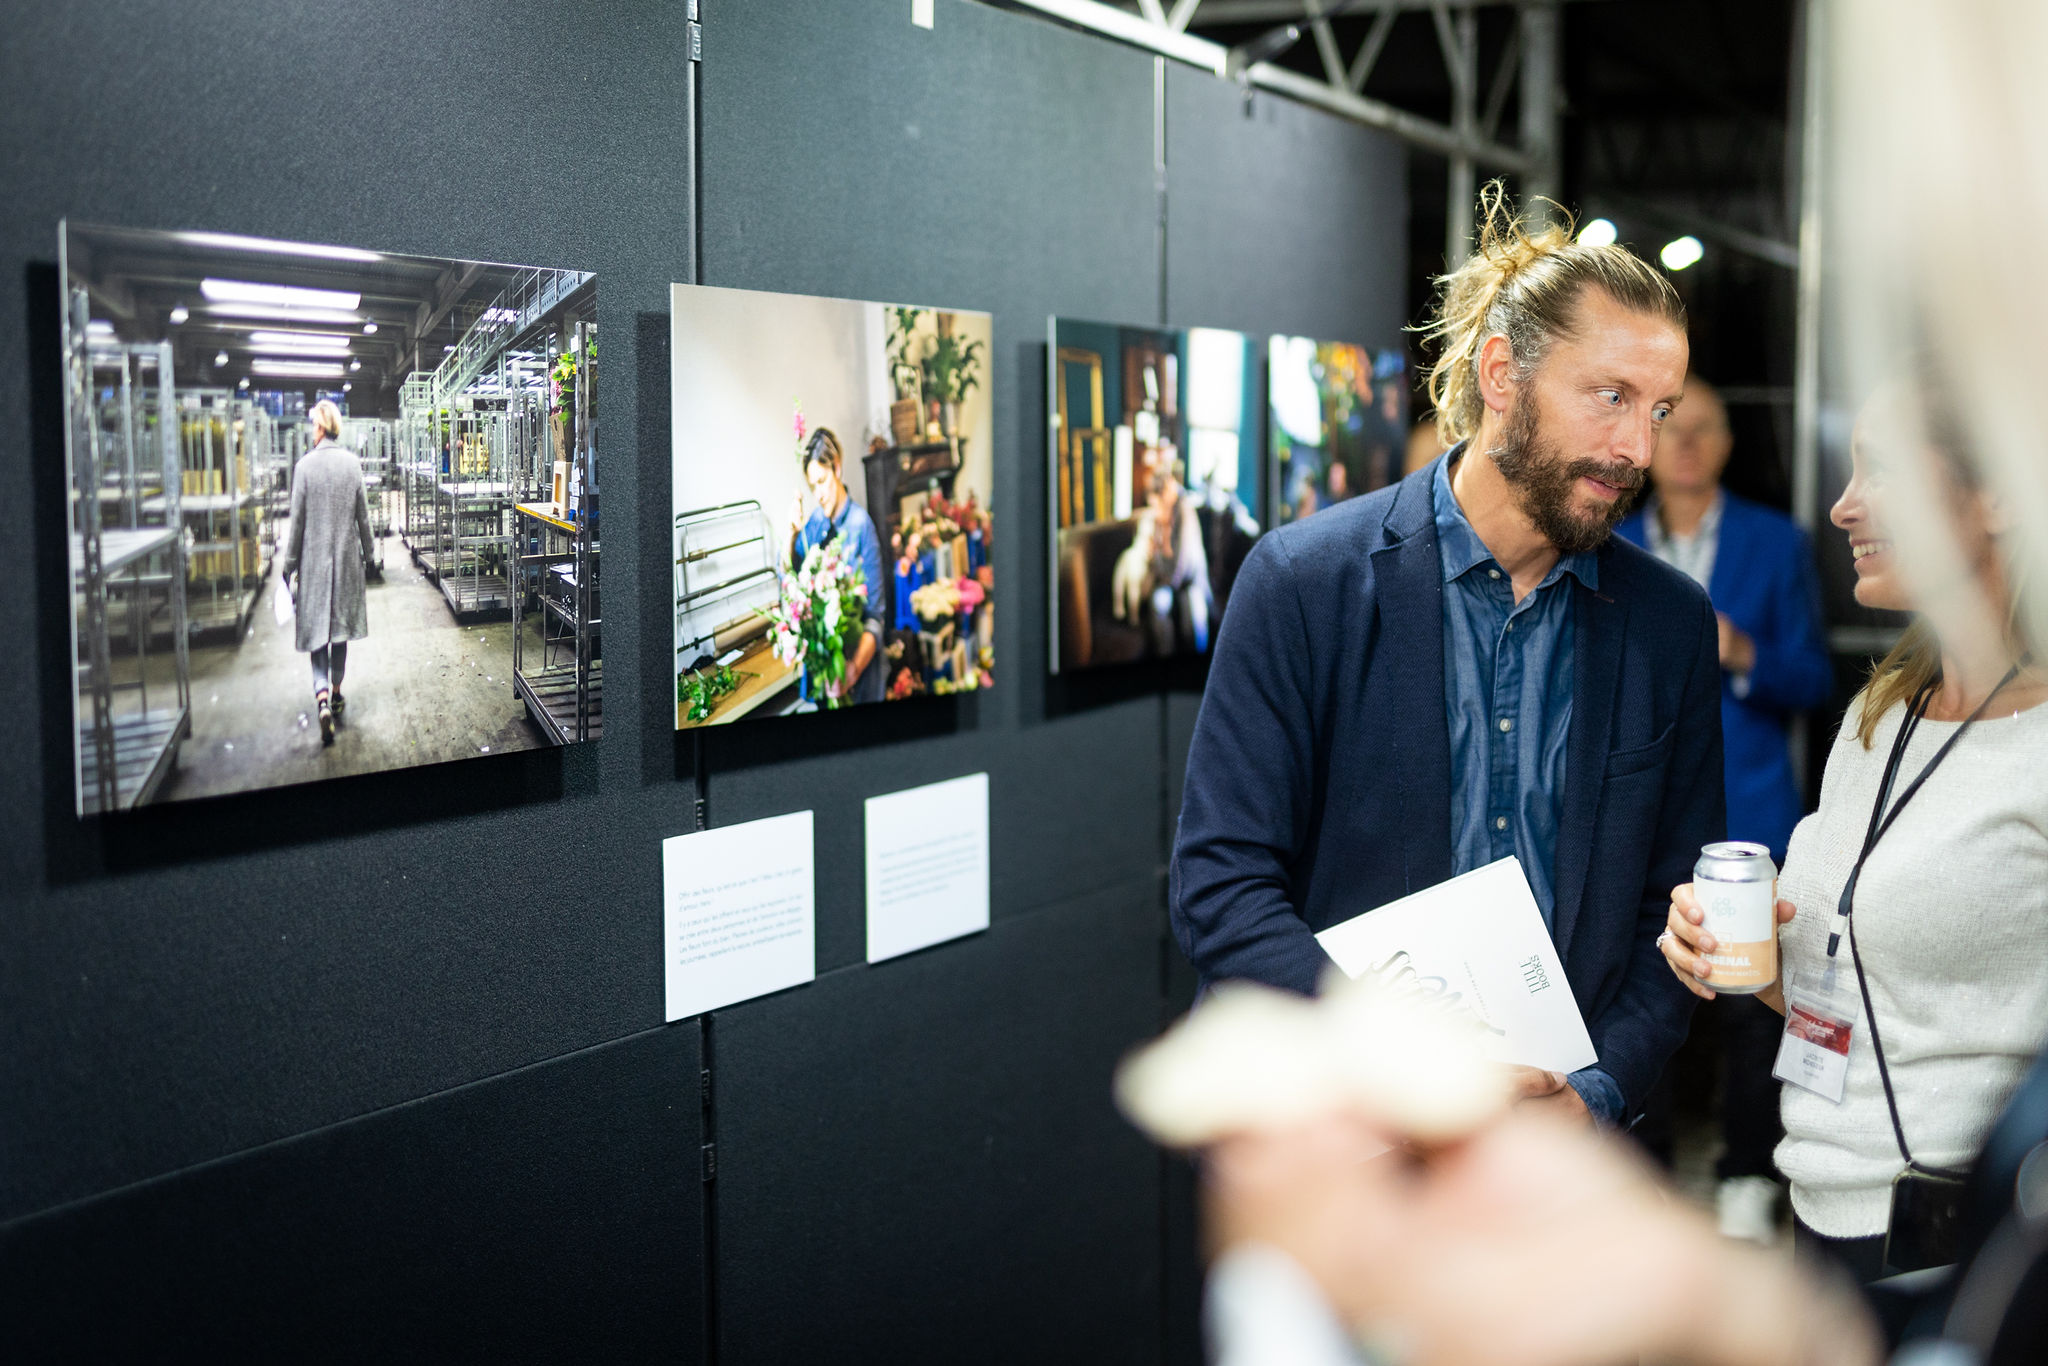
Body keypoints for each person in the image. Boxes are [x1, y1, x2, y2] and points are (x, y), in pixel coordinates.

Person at [1172, 183, 1722, 1128]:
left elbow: (1676, 916)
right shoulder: (1304, 583)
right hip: (1338, 1132)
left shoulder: (1668, 622)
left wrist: (1594, 1096)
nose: (1638, 447)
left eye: (1660, 410)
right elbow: (1221, 887)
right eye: (1610, 397)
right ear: (1502, 374)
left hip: (1554, 1150)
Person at [1659, 382, 2048, 1284]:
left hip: (1963, 1240)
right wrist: (1734, 954)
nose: (1843, 505)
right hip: (1823, 1211)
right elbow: (1839, 985)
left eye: (1884, 469)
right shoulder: (1882, 713)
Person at [1617, 376, 1833, 1239]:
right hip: (1640, 810)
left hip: (1749, 811)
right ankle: (1648, 1179)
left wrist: (1743, 651)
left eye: (1704, 427)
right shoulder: (1609, 537)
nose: (1685, 441)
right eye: (1670, 423)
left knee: (1752, 1005)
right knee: (1644, 987)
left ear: (1729, 445)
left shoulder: (1776, 543)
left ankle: (1747, 1172)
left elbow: (1814, 678)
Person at [281, 399, 373, 747]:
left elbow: (297, 524)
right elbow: (363, 517)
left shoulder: (304, 467)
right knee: (340, 632)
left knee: (317, 630)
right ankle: (336, 692)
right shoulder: (352, 464)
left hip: (314, 563)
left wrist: (289, 566)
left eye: (313, 424)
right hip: (346, 562)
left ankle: (320, 697)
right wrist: (370, 554)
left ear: (320, 426)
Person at [786, 426, 886, 706]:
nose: (818, 494)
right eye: (812, 486)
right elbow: (791, 571)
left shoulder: (861, 526)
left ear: (837, 468)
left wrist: (851, 671)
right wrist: (792, 533)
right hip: (825, 676)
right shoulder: (815, 524)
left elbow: (875, 617)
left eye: (822, 480)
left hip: (859, 676)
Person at [1114, 462, 1213, 655]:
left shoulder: (1184, 512)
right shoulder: (1154, 519)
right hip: (1166, 578)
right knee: (1158, 604)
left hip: (1189, 579)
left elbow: (1183, 563)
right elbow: (1152, 558)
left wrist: (1165, 570)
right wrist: (1158, 545)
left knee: (1194, 617)